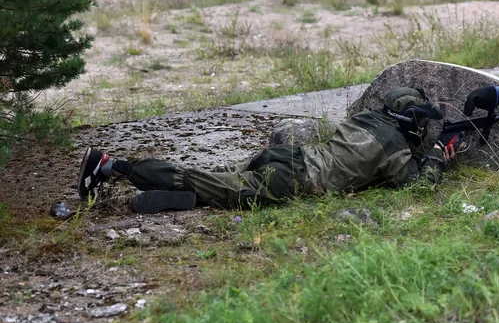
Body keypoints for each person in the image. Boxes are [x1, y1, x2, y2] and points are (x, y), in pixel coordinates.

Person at [77, 87, 462, 214]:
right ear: (410, 120)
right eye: (421, 122)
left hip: (289, 158)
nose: (424, 128)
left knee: (211, 183)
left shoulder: (368, 120)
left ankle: (173, 194)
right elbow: (417, 184)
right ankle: (113, 167)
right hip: (292, 180)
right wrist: (439, 155)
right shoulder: (395, 149)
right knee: (207, 184)